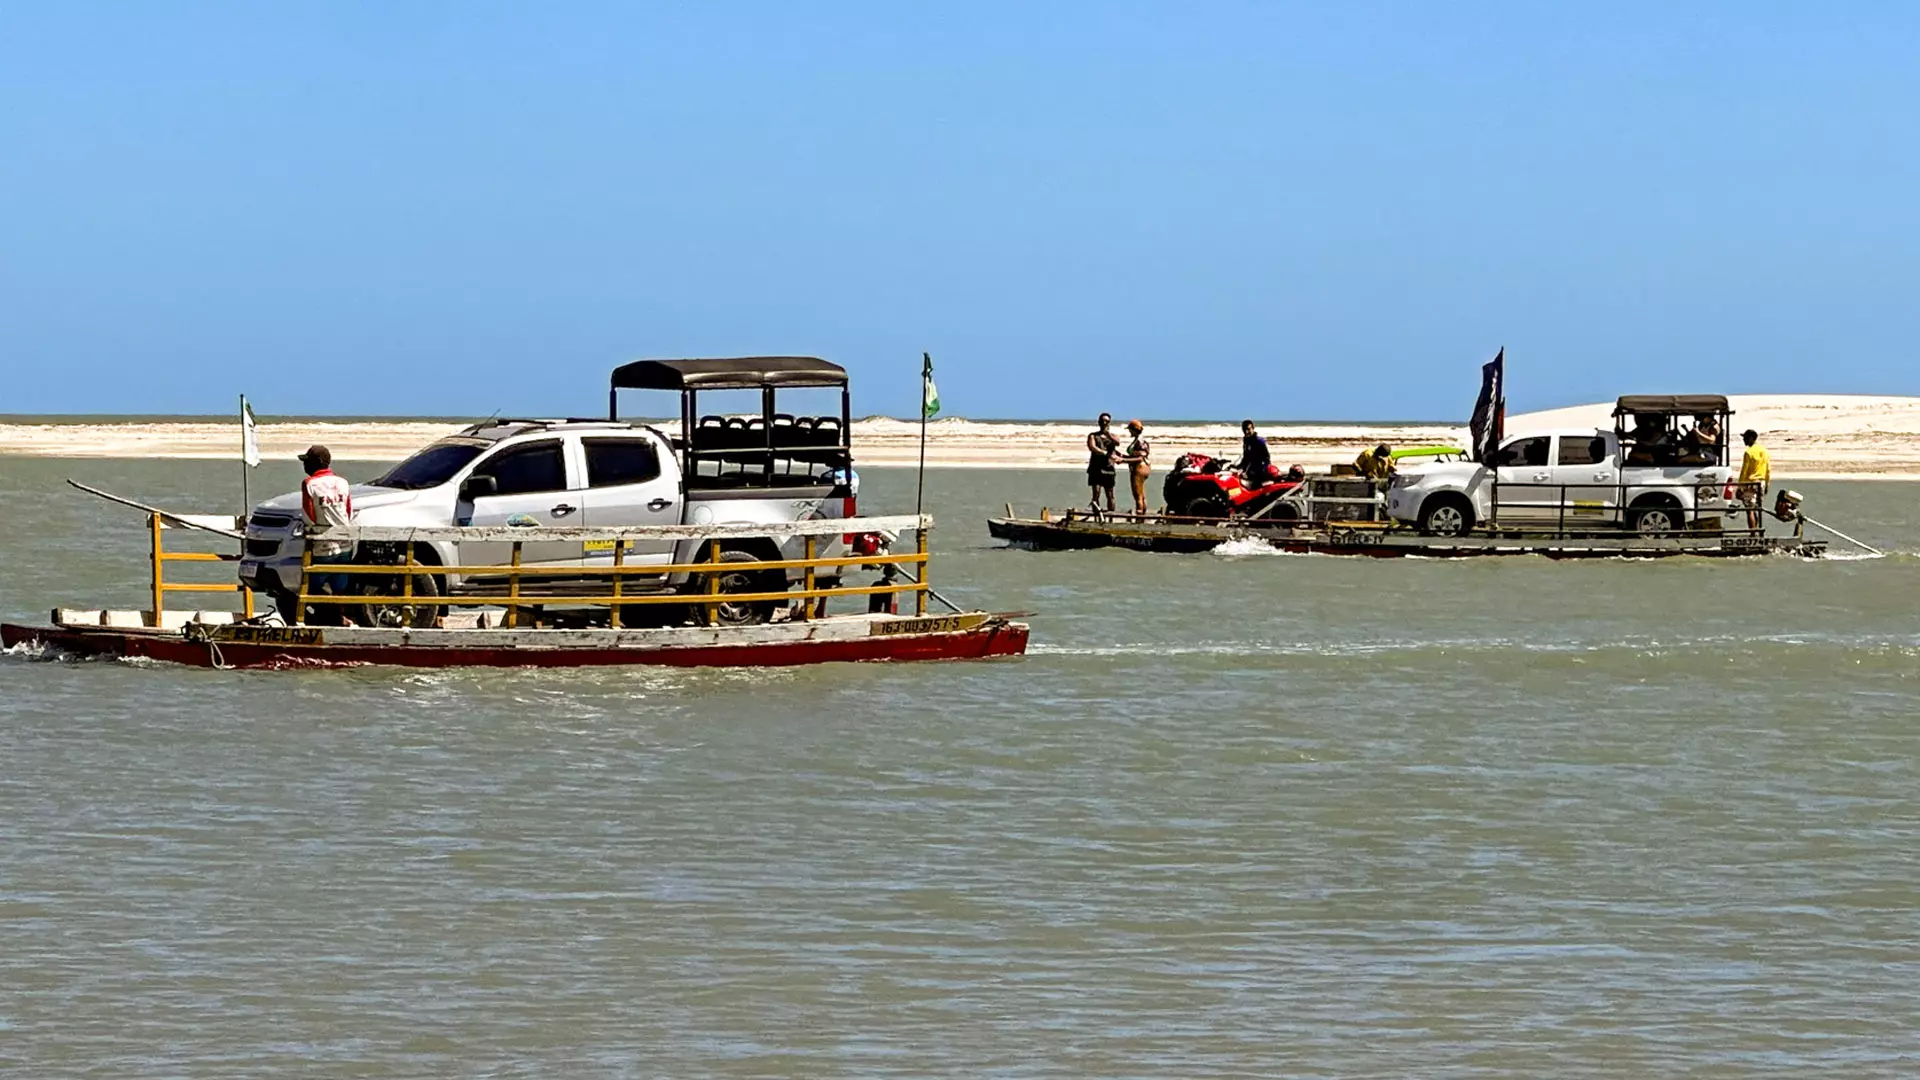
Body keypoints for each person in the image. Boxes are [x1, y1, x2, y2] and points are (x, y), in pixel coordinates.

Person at [299, 444, 355, 624]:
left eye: (307, 462)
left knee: (313, 585)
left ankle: (321, 619)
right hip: (345, 541)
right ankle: (339, 617)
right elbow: (349, 511)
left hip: (323, 543)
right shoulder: (343, 483)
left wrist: (311, 529)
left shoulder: (309, 484)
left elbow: (309, 516)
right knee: (339, 585)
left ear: (314, 464)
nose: (304, 466)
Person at [1111, 419, 1152, 515]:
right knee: (1142, 494)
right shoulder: (1139, 440)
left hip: (1139, 468)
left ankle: (1140, 516)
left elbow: (1139, 458)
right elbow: (1135, 456)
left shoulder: (1140, 441)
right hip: (1143, 467)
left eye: (1130, 430)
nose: (1129, 432)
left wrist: (1123, 460)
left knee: (1137, 495)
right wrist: (1121, 455)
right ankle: (1143, 514)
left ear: (1134, 430)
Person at [1085, 413, 1119, 514]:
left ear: (1109, 423)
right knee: (1096, 493)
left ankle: (1111, 516)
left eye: (1106, 421)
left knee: (1110, 494)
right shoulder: (1093, 435)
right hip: (1096, 467)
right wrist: (1105, 453)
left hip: (1108, 468)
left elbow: (1117, 442)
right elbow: (1092, 447)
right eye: (1102, 421)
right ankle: (1097, 516)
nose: (1104, 423)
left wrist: (1108, 434)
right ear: (1099, 422)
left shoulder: (1113, 436)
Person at [1738, 428, 1771, 531]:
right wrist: (1767, 484)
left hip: (1750, 483)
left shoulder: (1748, 452)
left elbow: (1744, 471)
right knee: (1756, 509)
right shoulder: (1764, 451)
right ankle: (1757, 531)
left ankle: (1752, 535)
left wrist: (1740, 487)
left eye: (1746, 438)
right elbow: (1768, 469)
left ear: (1751, 438)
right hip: (1761, 483)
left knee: (1750, 510)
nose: (1744, 440)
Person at [1233, 420, 1272, 484]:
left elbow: (1266, 457)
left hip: (1260, 471)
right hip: (1250, 470)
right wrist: (1237, 467)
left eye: (1248, 429)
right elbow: (1246, 458)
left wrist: (1263, 470)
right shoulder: (1246, 441)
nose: (1246, 432)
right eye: (1244, 430)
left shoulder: (1259, 441)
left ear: (1253, 428)